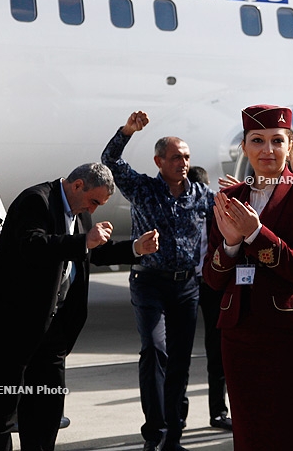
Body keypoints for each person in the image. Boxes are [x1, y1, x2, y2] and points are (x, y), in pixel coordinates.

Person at [0, 163, 159, 451]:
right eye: (94, 201)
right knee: (0, 418)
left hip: (52, 335)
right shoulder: (36, 200)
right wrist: (84, 240)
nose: (93, 210)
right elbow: (34, 245)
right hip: (10, 329)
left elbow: (91, 252)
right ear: (77, 185)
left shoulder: (79, 211)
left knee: (45, 417)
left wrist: (135, 248)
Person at [203, 105, 293, 451]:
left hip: (290, 333)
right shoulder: (229, 198)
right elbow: (212, 279)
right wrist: (229, 244)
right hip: (239, 333)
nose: (267, 150)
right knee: (249, 435)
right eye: (257, 141)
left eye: (276, 141)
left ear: (289, 145)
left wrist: (255, 234)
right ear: (244, 147)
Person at [101, 112, 215, 451]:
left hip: (185, 287)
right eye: (176, 156)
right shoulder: (142, 188)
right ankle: (155, 433)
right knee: (154, 350)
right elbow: (110, 160)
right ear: (159, 161)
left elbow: (230, 211)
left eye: (186, 157)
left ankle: (174, 436)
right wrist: (127, 131)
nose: (183, 162)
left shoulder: (200, 194)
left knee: (180, 359)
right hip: (149, 282)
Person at [185, 166, 232, 431]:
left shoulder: (217, 214)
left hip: (211, 285)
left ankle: (218, 412)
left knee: (216, 350)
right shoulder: (179, 212)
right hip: (188, 284)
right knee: (181, 350)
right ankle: (179, 416)